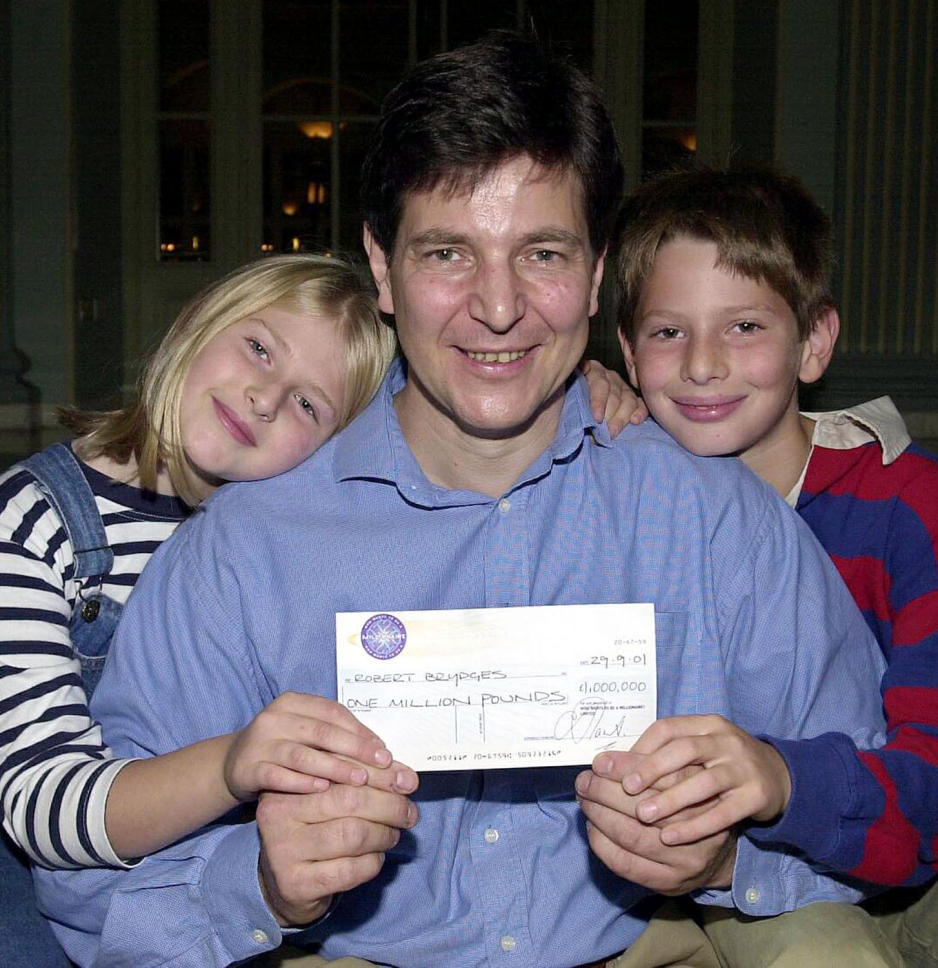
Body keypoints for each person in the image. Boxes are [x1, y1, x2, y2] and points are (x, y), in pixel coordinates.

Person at [38, 32, 888, 968]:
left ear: (599, 271)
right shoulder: (247, 550)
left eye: (543, 254)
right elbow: (90, 899)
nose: (496, 307)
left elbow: (873, 797)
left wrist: (726, 860)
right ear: (381, 266)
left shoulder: (711, 519)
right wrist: (263, 884)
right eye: (448, 253)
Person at [0, 254, 419, 968]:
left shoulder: (273, 544)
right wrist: (232, 764)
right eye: (258, 347)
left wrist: (588, 392)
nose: (263, 397)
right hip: (53, 876)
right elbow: (42, 806)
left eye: (307, 404)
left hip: (218, 892)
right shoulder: (33, 520)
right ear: (198, 322)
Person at [613, 165, 938, 966]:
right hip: (645, 874)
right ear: (628, 352)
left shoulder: (915, 507)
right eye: (668, 332)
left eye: (744, 327)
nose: (701, 364)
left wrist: (783, 779)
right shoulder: (607, 497)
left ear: (815, 342)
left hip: (858, 866)